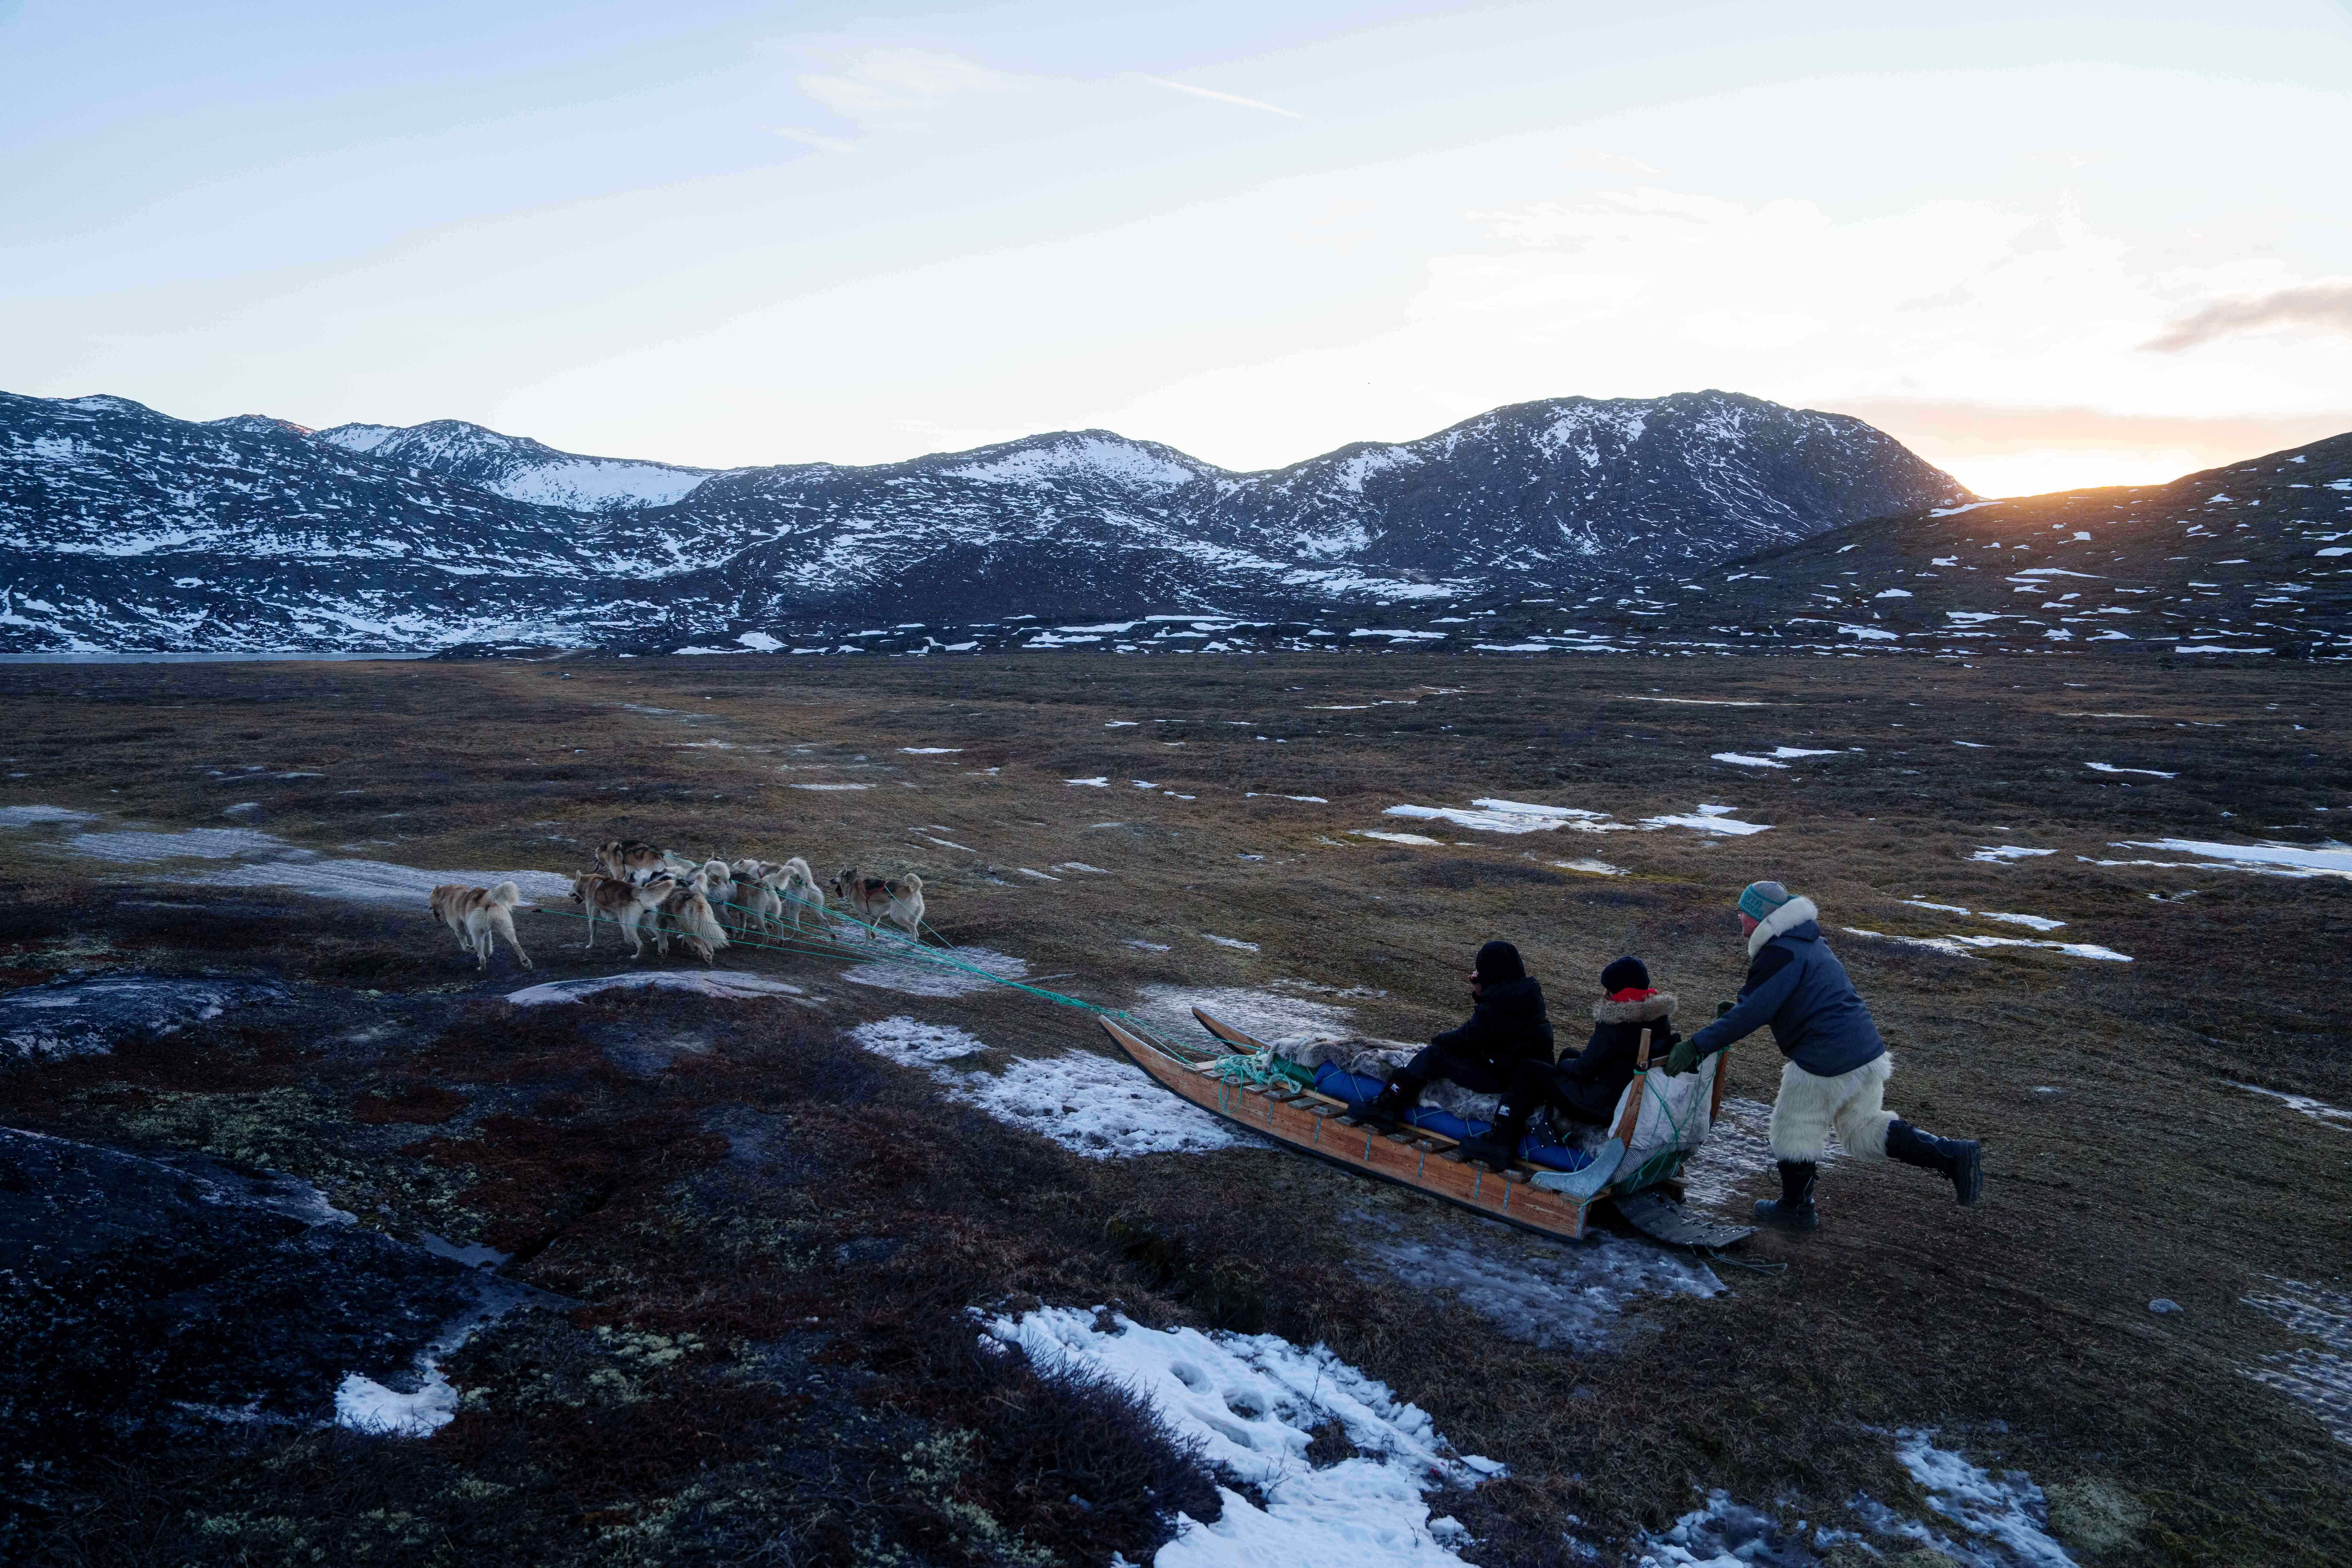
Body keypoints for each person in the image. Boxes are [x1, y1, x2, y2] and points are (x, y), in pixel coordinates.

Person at [1667, 880, 1983, 1230]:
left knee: (1793, 1128)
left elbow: (1752, 1013)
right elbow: (1775, 1000)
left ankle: (1796, 1210)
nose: (1739, 919)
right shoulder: (1807, 941)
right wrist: (1741, 1012)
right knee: (1862, 1129)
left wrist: (1696, 1046)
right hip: (1865, 1050)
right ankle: (1953, 1155)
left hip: (1827, 1058)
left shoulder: (1780, 953)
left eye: (1743, 913)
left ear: (1760, 918)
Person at [1458, 956, 1676, 1171]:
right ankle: (1546, 1117)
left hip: (1598, 1104)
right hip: (1619, 1094)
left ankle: (1499, 1144)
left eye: (1608, 989)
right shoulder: (1657, 1018)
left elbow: (1583, 1070)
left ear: (1618, 990)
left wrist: (1562, 1067)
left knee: (1528, 1069)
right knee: (1567, 1055)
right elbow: (1603, 1060)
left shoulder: (1618, 1021)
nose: (1605, 994)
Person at [1356, 940, 1554, 1132]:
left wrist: (1438, 1041)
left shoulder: (1501, 1001)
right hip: (1518, 1071)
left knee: (1434, 1054)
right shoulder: (1526, 992)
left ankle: (1387, 1106)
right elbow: (1491, 1031)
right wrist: (1483, 993)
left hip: (1501, 1076)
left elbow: (1469, 1036)